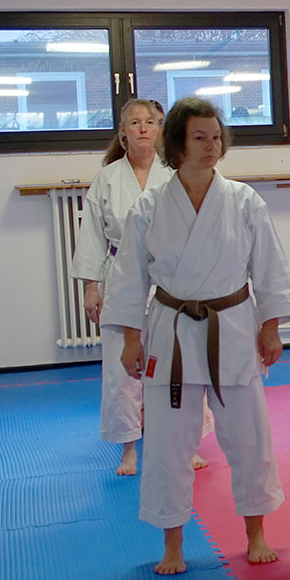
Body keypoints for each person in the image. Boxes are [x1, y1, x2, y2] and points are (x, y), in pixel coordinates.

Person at [105, 97, 290, 574]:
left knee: (248, 437)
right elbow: (130, 279)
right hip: (170, 329)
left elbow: (269, 268)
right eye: (199, 137)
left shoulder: (244, 201)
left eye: (216, 137)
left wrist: (271, 327)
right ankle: (172, 543)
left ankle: (256, 532)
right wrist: (131, 338)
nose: (211, 146)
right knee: (168, 443)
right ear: (177, 145)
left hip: (231, 325)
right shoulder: (150, 206)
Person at [73, 98, 208, 477]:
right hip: (121, 275)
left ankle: (186, 444)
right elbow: (92, 239)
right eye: (135, 122)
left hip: (171, 275)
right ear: (123, 132)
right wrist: (91, 288)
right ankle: (129, 448)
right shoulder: (107, 179)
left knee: (180, 360)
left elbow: (197, 227)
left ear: (160, 129)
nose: (143, 128)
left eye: (150, 122)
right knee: (123, 366)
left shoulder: (176, 173)